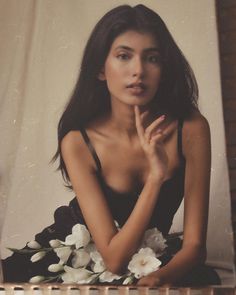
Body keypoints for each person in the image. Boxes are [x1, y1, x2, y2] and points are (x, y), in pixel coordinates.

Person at [2, 4, 221, 286]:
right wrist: (155, 178)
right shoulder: (79, 141)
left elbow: (194, 247)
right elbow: (114, 259)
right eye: (123, 56)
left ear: (164, 69)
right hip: (72, 256)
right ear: (100, 70)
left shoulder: (190, 129)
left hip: (149, 263)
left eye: (152, 58)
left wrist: (157, 279)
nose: (138, 70)